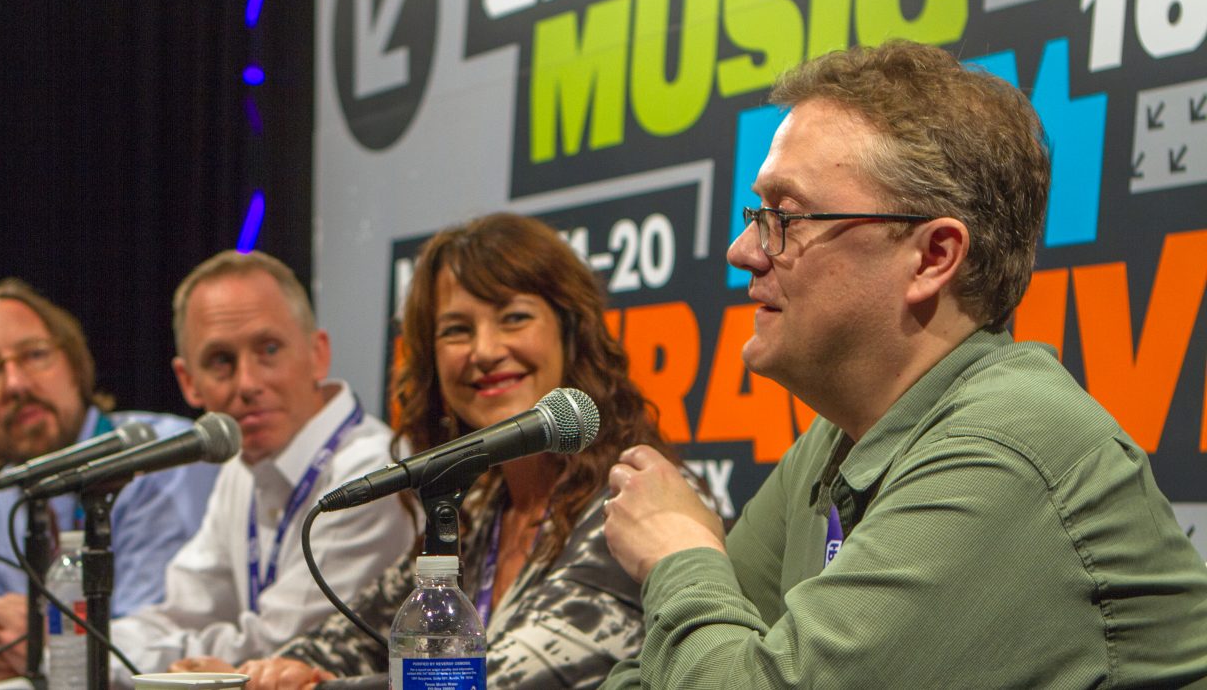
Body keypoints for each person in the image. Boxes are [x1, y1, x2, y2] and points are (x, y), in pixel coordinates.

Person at [601, 40, 1207, 687]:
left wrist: (680, 551)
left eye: (787, 217)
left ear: (932, 257)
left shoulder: (1009, 449)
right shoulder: (837, 441)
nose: (742, 249)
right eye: (758, 213)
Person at [233, 212, 707, 689]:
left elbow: (501, 680)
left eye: (514, 318)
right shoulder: (475, 510)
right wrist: (281, 671)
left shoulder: (634, 501)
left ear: (571, 335)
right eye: (456, 329)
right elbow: (342, 641)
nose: (484, 350)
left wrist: (320, 687)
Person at [0, 250, 415, 687]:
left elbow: (280, 644)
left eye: (269, 349)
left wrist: (76, 648)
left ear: (318, 353)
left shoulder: (371, 470)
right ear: (188, 382)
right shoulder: (243, 465)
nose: (248, 383)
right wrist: (75, 646)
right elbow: (180, 610)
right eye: (221, 361)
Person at [0, 278, 218, 645]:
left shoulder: (163, 456)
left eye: (35, 355)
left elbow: (151, 644)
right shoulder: (0, 504)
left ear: (76, 368)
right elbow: (18, 654)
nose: (16, 384)